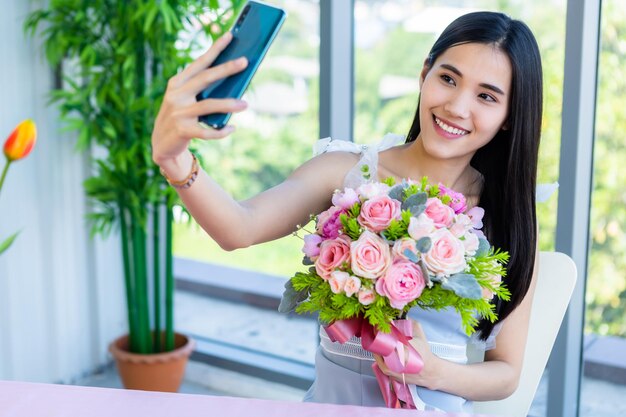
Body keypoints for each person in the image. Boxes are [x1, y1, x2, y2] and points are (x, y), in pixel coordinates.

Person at [152, 11, 542, 413]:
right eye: (448, 78)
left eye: (486, 96)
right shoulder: (347, 172)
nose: (458, 107)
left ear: (510, 115)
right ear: (424, 74)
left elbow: (507, 373)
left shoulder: (502, 215)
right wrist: (175, 160)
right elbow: (239, 228)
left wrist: (431, 371)